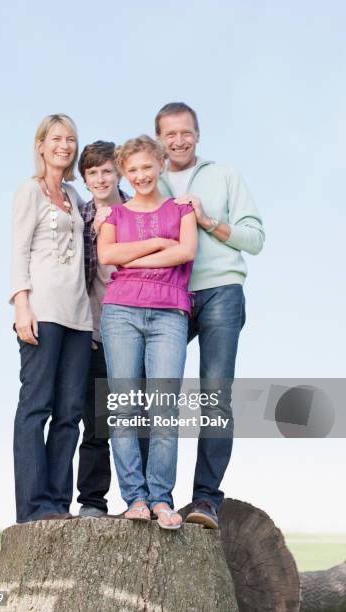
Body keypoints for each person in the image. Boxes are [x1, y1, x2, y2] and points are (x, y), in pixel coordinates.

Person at [155, 102, 265, 528]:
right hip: (170, 295)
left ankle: (205, 500)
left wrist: (206, 219)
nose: (179, 141)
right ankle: (151, 496)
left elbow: (255, 239)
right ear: (160, 139)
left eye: (186, 132)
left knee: (214, 396)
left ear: (197, 135)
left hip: (221, 290)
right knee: (154, 392)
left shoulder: (224, 175)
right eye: (170, 134)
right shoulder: (151, 179)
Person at [98, 135, 198, 529]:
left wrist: (134, 254)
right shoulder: (114, 215)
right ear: (125, 172)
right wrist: (158, 242)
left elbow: (186, 251)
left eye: (146, 167)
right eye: (132, 169)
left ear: (160, 165)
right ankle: (135, 498)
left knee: (164, 408)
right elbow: (108, 255)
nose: (140, 175)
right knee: (123, 406)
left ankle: (160, 499)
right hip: (121, 311)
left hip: (169, 313)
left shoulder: (182, 209)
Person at [10, 113, 93, 523]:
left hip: (79, 318)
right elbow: (18, 251)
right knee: (36, 408)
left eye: (72, 139)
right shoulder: (30, 192)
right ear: (41, 144)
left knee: (69, 412)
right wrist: (21, 305)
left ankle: (58, 504)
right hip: (42, 311)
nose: (65, 145)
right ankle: (33, 508)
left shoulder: (76, 197)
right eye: (57, 138)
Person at [76, 141, 130, 519]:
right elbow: (72, 274)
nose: (99, 178)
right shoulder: (78, 216)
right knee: (96, 426)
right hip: (94, 332)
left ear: (119, 173)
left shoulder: (139, 210)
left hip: (133, 331)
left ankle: (142, 500)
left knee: (136, 419)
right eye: (92, 173)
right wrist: (92, 233)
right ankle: (93, 502)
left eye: (106, 171)